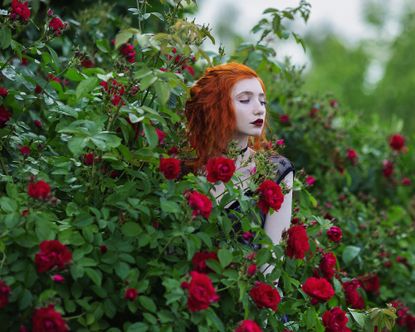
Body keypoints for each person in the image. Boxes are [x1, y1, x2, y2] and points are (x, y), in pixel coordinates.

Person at [184, 62, 294, 246]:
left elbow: (270, 265)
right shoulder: (186, 169)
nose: (260, 109)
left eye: (262, 101)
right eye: (245, 100)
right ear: (215, 107)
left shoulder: (275, 170)